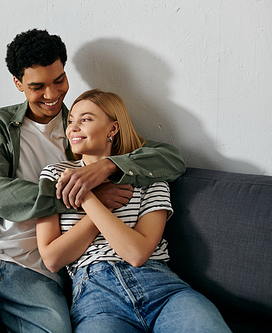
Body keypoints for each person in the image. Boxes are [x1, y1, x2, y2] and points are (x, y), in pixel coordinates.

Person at [0, 30, 186, 333]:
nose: (51, 94)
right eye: (37, 86)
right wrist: (87, 194)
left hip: (37, 268)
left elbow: (170, 159)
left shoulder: (79, 130)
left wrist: (106, 166)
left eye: (59, 80)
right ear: (18, 84)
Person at [37, 89, 231, 333]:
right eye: (71, 120)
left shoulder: (148, 174)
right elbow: (53, 259)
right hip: (96, 299)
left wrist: (85, 196)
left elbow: (137, 253)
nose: (73, 127)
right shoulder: (55, 175)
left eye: (85, 119)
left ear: (113, 129)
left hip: (162, 289)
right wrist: (98, 199)